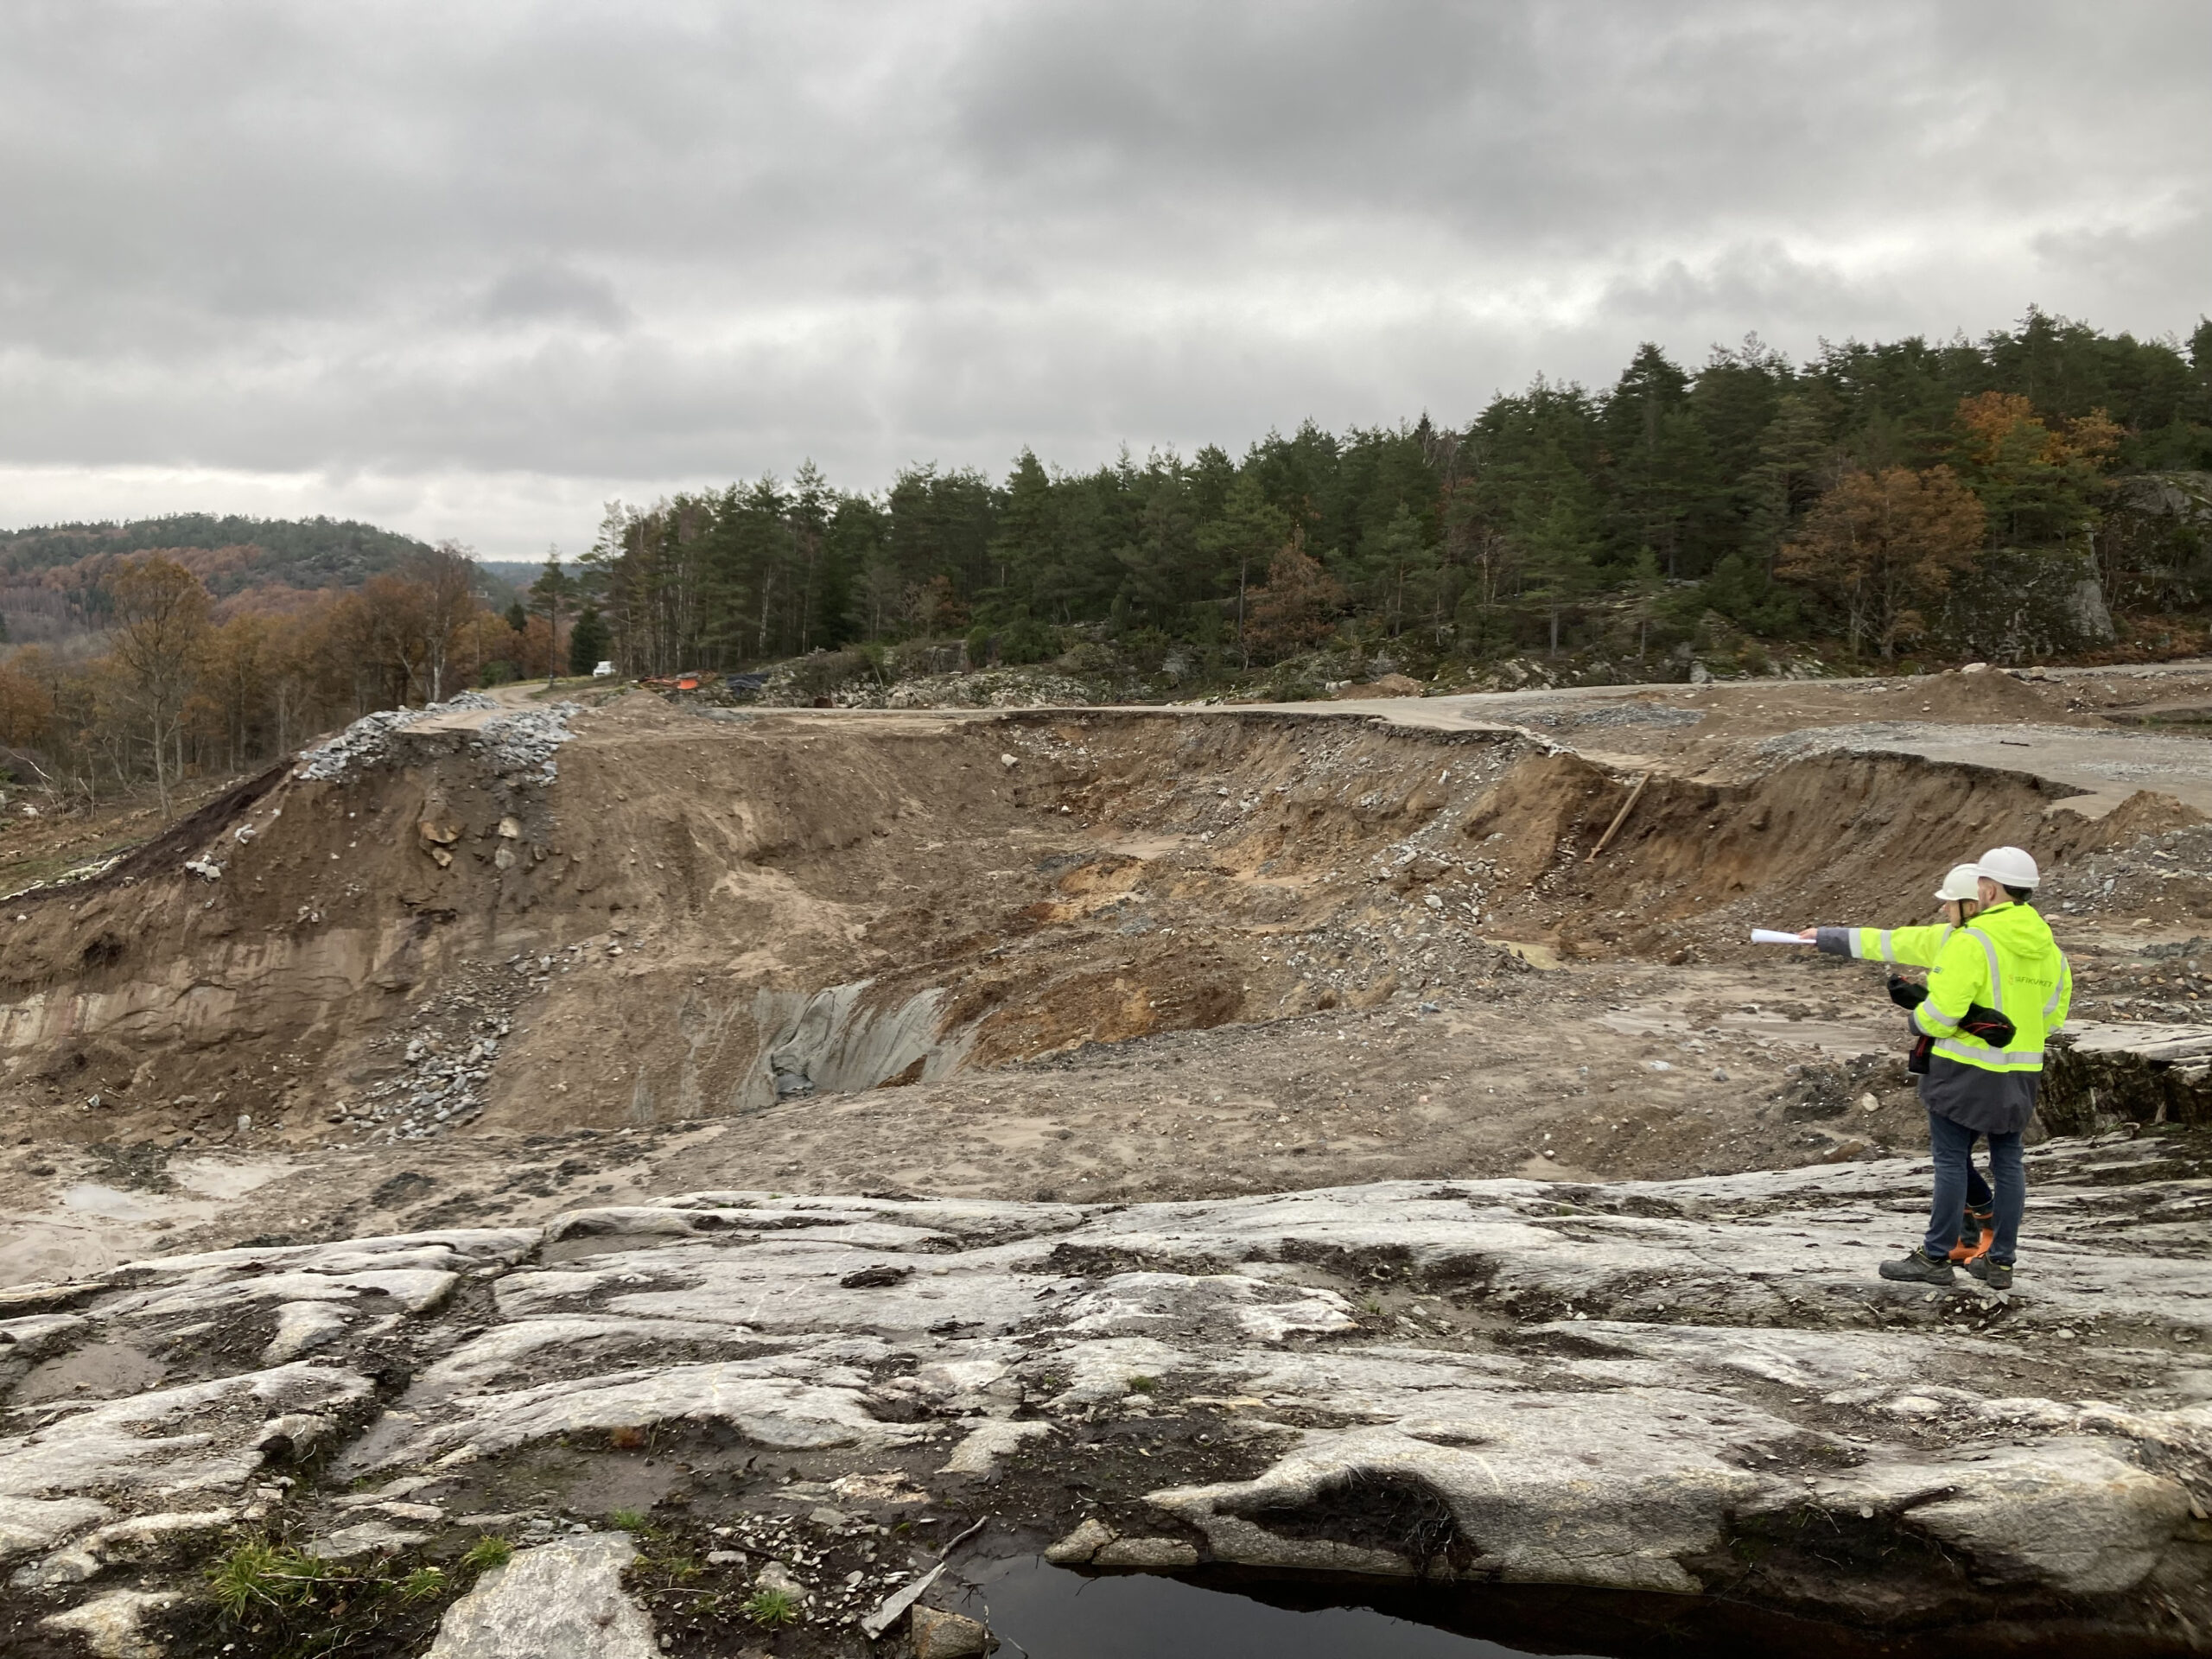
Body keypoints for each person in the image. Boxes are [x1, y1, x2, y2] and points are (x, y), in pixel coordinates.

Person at [1798, 847, 2071, 1291]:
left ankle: (1935, 1256)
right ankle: (2000, 1262)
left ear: (1986, 889)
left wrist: (1917, 1016)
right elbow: (2052, 1018)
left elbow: (1941, 1015)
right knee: (2008, 1162)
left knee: (1950, 1160)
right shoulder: (2052, 952)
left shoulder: (1972, 940)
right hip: (2021, 1072)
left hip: (1962, 1070)